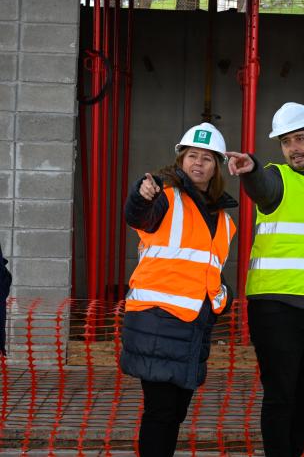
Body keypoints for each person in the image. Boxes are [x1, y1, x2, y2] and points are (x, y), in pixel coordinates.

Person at [225, 102, 304, 457]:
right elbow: (261, 187)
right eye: (286, 142)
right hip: (276, 307)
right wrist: (250, 168)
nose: (293, 148)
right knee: (281, 393)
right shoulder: (276, 178)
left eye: (300, 139)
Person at [120, 122, 237, 457]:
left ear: (216, 167)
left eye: (206, 158)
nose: (198, 163)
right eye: (191, 156)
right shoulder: (165, 197)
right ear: (181, 160)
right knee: (160, 412)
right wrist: (140, 194)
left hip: (193, 328)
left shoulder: (224, 220)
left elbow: (209, 268)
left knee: (175, 413)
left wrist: (222, 299)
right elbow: (138, 213)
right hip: (157, 323)